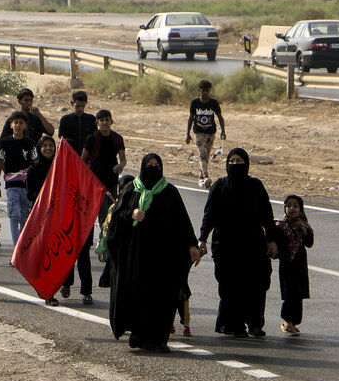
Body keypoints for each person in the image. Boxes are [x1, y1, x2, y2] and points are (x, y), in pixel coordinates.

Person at [104, 154, 201, 353]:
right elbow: (116, 218)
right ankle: (139, 336)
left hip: (164, 256)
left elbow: (182, 221)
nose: (153, 167)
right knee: (138, 295)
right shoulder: (132, 189)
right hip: (137, 256)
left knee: (163, 297)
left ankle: (159, 339)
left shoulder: (169, 191)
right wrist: (131, 214)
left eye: (157, 165)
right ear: (141, 167)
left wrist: (192, 245)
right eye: (149, 165)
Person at [198, 148, 278, 338]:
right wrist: (202, 238)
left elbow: (267, 215)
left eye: (239, 161)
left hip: (253, 245)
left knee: (256, 286)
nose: (235, 164)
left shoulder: (256, 187)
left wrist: (272, 240)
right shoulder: (219, 186)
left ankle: (255, 324)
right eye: (231, 161)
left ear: (247, 164)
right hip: (226, 246)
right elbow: (209, 215)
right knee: (230, 287)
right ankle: (233, 324)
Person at [83, 109, 126, 234]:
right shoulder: (92, 138)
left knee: (108, 212)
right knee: (96, 212)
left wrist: (120, 166)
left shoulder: (117, 138)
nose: (105, 123)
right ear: (97, 122)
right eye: (102, 120)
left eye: (107, 120)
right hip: (94, 181)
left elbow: (123, 160)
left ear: (111, 121)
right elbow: (83, 160)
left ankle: (105, 240)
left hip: (111, 181)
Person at [0, 112, 38, 244]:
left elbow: (34, 164)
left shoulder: (30, 143)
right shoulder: (4, 142)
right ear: (11, 125)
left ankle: (22, 247)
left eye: (21, 123)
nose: (18, 126)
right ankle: (16, 247)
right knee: (14, 215)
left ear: (25, 125)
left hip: (26, 185)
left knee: (25, 216)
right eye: (16, 123)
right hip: (11, 185)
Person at [276, 194, 313, 334]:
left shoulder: (304, 225)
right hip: (287, 263)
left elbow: (309, 243)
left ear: (301, 209)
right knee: (290, 292)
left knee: (299, 293)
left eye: (295, 206)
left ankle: (294, 321)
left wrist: (303, 231)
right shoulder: (280, 226)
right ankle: (287, 321)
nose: (292, 209)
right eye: (289, 205)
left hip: (300, 264)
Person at [186, 79, 226, 189]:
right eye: (203, 91)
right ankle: (206, 176)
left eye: (207, 91)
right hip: (198, 132)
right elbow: (191, 118)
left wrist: (223, 131)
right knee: (202, 153)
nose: (205, 93)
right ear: (199, 91)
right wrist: (188, 133)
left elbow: (220, 117)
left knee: (206, 155)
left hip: (210, 132)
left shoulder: (213, 103)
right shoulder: (195, 103)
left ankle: (201, 177)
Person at [57, 90, 97, 156]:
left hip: (87, 157)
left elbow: (94, 139)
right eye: (77, 106)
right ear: (72, 103)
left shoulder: (91, 119)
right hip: (70, 156)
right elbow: (62, 140)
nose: (80, 109)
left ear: (86, 103)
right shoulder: (65, 120)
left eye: (83, 106)